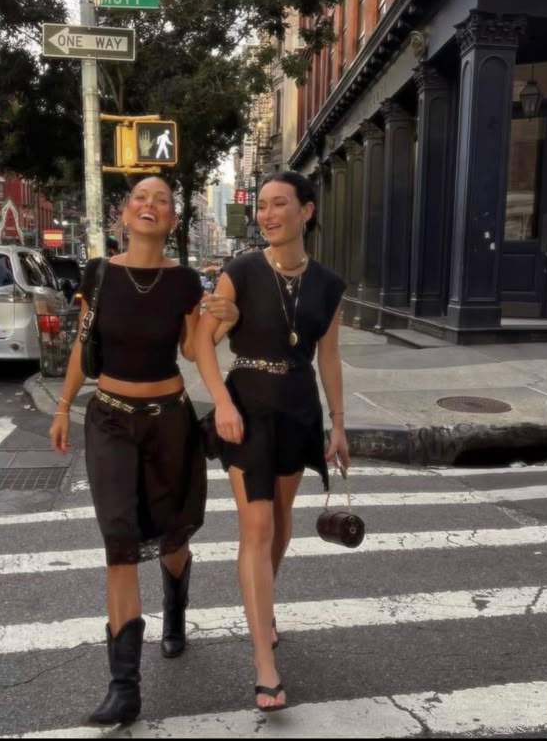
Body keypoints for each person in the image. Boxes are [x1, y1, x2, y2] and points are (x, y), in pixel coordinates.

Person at [48, 175, 239, 727]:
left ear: (173, 221)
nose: (150, 205)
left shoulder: (183, 281)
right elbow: (86, 343)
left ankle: (175, 606)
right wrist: (63, 406)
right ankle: (123, 686)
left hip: (168, 423)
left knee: (172, 536)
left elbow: (192, 347)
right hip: (109, 420)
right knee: (120, 540)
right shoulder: (100, 274)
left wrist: (220, 327)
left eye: (162, 201)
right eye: (140, 199)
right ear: (123, 216)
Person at [194, 170, 349, 713]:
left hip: (299, 407)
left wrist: (338, 423)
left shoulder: (327, 284)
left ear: (306, 211)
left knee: (281, 521)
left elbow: (327, 355)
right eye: (262, 206)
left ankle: (264, 606)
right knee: (256, 525)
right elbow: (198, 346)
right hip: (249, 409)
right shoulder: (238, 271)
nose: (267, 214)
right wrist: (224, 403)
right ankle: (265, 665)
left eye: (279, 204)